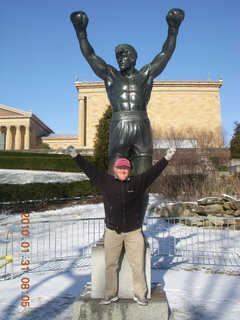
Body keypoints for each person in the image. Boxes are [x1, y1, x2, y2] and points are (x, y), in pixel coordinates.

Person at [70, 9, 184, 175]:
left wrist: (173, 31)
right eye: (118, 57)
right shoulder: (111, 75)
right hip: (119, 124)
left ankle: (140, 201)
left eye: (123, 56)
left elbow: (166, 53)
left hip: (142, 124)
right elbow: (91, 56)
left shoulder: (146, 74)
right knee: (114, 177)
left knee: (144, 178)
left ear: (133, 58)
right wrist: (81, 33)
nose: (120, 59)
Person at [66, 145, 176, 306]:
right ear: (115, 170)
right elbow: (89, 169)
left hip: (134, 231)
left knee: (137, 265)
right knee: (111, 265)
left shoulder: (137, 182)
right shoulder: (106, 182)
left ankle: (140, 294)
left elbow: (153, 172)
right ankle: (110, 294)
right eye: (120, 168)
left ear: (129, 170)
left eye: (126, 168)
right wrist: (76, 156)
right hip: (113, 232)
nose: (123, 170)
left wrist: (167, 158)